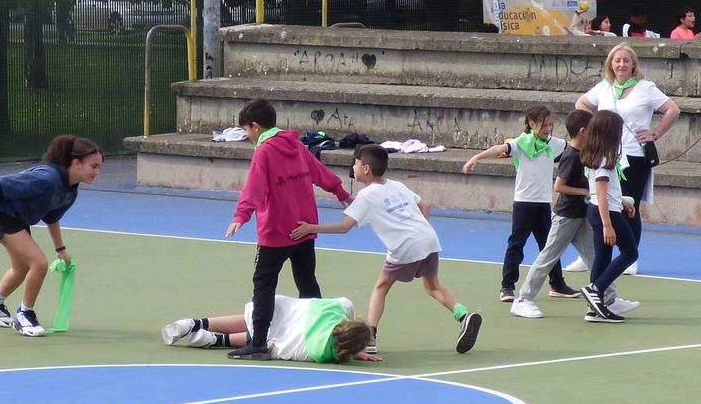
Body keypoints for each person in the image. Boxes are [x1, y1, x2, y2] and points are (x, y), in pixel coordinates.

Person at [292, 145, 480, 354]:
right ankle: (464, 315)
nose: (352, 168)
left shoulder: (366, 196)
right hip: (428, 238)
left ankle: (370, 337)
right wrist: (419, 230)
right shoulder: (396, 185)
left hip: (405, 246)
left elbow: (345, 227)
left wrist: (311, 228)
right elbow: (425, 206)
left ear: (366, 168)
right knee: (433, 286)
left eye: (355, 164)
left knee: (381, 287)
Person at [224, 97, 352, 359]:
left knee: (264, 284)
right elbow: (318, 170)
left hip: (275, 232)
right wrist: (339, 191)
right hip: (304, 228)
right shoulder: (294, 143)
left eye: (247, 129)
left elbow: (254, 187)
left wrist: (241, 215)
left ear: (255, 126)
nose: (247, 135)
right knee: (307, 281)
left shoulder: (264, 151)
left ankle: (258, 343)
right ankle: (326, 333)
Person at [0, 134, 104, 336]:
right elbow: (0, 185)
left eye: (100, 166)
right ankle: (25, 315)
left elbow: (52, 217)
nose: (98, 172)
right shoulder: (46, 178)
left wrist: (60, 249)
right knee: (39, 263)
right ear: (76, 164)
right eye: (94, 166)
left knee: (21, 268)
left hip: (17, 218)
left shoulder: (70, 191)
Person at [513, 109, 621, 317]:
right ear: (583, 131)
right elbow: (559, 186)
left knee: (594, 256)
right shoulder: (571, 156)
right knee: (548, 257)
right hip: (566, 216)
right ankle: (523, 298)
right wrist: (586, 192)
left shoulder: (586, 153)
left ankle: (609, 297)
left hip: (581, 214)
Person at [461, 103, 571, 302]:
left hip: (543, 203)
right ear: (531, 123)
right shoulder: (521, 143)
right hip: (523, 203)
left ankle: (557, 284)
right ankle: (507, 286)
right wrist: (476, 157)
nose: (548, 129)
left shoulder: (553, 144)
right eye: (543, 125)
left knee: (550, 246)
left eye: (550, 125)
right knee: (516, 244)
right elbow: (500, 148)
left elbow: (575, 149)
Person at [575, 43, 679, 252]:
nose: (621, 64)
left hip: (633, 154)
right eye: (617, 60)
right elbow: (582, 104)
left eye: (626, 60)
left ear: (633, 65)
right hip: (606, 153)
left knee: (629, 205)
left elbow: (672, 110)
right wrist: (595, 127)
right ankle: (595, 252)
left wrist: (655, 134)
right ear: (610, 64)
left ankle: (629, 252)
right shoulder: (605, 86)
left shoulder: (645, 87)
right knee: (599, 201)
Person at [163, 296, 381, 363]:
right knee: (265, 338)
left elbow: (344, 310)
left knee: (260, 322)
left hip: (283, 310)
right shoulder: (320, 353)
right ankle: (211, 340)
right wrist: (352, 350)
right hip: (286, 333)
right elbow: (285, 349)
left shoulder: (340, 307)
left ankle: (196, 324)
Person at [576, 109, 640, 322]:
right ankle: (596, 289)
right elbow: (602, 194)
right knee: (630, 252)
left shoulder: (598, 156)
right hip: (606, 214)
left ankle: (594, 308)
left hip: (601, 209)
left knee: (602, 260)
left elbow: (605, 191)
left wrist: (622, 201)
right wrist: (608, 225)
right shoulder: (604, 158)